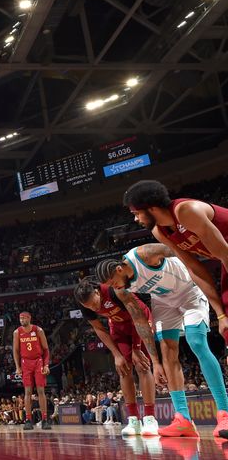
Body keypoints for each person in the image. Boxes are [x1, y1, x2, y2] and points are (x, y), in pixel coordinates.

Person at [94, 242, 228, 438]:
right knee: (167, 352)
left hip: (189, 290)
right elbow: (140, 321)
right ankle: (183, 418)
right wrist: (154, 362)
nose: (113, 288)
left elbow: (179, 249)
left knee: (196, 342)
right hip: (163, 302)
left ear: (119, 269)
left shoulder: (143, 255)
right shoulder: (122, 290)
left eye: (113, 282)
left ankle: (224, 413)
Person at [122, 180, 228, 342]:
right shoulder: (159, 231)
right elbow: (194, 268)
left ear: (151, 208)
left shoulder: (186, 211)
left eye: (136, 213)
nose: (136, 220)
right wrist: (220, 314)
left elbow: (225, 254)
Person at [74, 278, 159, 436]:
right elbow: (99, 328)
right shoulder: (84, 303)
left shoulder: (115, 291)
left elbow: (138, 317)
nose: (94, 308)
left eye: (94, 303)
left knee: (142, 366)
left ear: (97, 292)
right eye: (89, 306)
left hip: (140, 320)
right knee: (123, 369)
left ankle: (150, 418)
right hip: (118, 326)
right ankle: (133, 419)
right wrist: (116, 354)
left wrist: (136, 348)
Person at [12, 311, 51, 430]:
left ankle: (44, 419)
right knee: (27, 391)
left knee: (40, 390)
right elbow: (16, 351)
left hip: (38, 361)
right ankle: (28, 419)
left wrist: (46, 365)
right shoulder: (17, 332)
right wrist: (18, 367)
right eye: (20, 319)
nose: (22, 320)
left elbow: (46, 349)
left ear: (29, 318)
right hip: (25, 363)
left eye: (24, 318)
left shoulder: (38, 330)